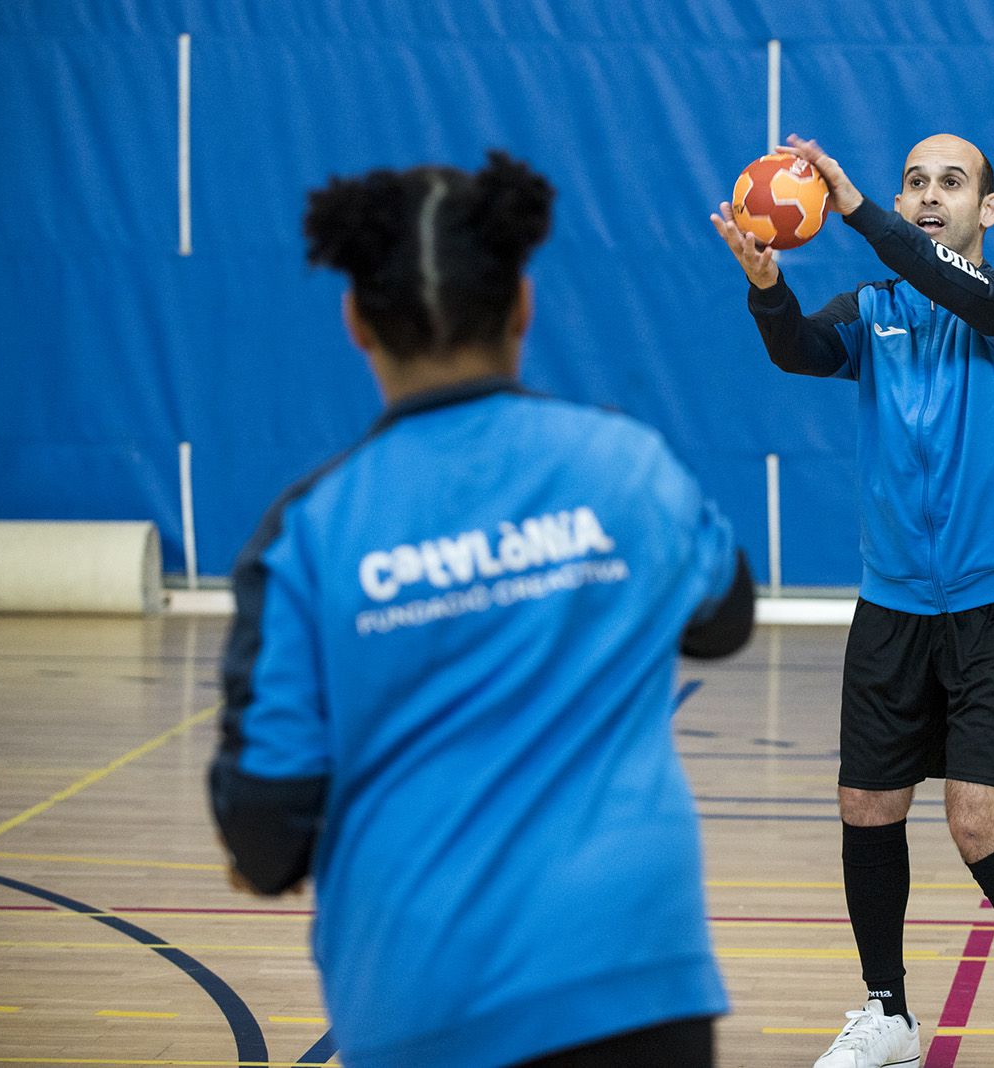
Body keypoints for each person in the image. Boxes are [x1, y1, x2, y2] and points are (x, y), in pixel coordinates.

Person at [210, 150, 755, 1068]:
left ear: (355, 322)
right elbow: (723, 617)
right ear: (523, 306)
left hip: (425, 998)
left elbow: (265, 829)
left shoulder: (307, 533)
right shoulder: (627, 465)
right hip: (640, 978)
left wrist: (259, 852)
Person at [711, 134, 994, 1068]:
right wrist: (768, 286)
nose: (929, 195)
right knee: (867, 804)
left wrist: (858, 209)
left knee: (980, 819)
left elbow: (965, 292)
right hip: (894, 602)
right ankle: (888, 1013)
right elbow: (802, 353)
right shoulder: (877, 308)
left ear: (989, 209)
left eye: (952, 183)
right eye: (915, 182)